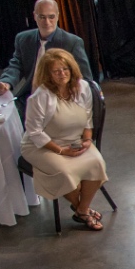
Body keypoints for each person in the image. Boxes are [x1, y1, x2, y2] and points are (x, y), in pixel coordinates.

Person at [21, 49, 109, 231]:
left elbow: (87, 117)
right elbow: (35, 132)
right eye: (56, 71)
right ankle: (82, 210)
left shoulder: (82, 87)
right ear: (48, 74)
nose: (62, 74)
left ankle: (81, 210)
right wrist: (61, 151)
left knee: (97, 162)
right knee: (65, 173)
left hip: (74, 139)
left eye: (65, 69)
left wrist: (87, 139)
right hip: (43, 146)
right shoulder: (38, 98)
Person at [1, 0, 94, 104]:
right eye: (42, 17)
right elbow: (16, 65)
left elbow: (85, 79)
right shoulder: (23, 39)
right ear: (34, 16)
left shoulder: (72, 42)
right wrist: (7, 81)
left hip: (60, 99)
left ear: (58, 16)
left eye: (51, 17)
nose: (47, 22)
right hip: (30, 96)